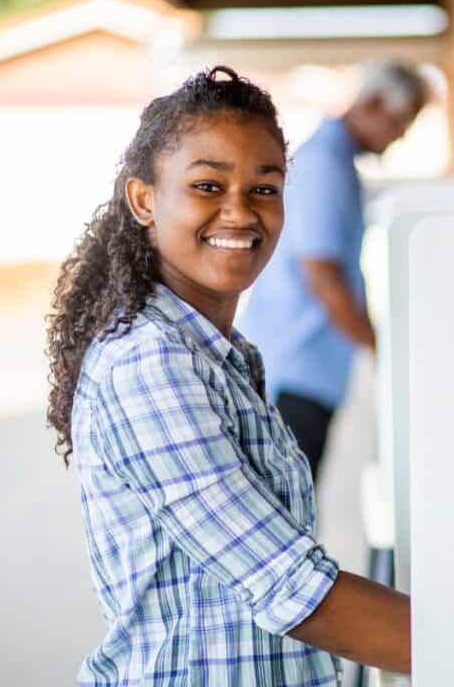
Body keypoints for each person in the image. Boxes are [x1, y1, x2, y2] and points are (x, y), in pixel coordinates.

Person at [46, 66, 410, 686]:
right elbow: (294, 589)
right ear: (144, 200)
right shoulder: (152, 363)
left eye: (264, 188)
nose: (240, 212)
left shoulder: (221, 351)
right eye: (208, 185)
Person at [236, 61, 427, 482]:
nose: (402, 136)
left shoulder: (336, 157)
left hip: (306, 371)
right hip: (294, 373)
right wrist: (382, 350)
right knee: (288, 511)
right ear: (374, 104)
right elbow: (322, 274)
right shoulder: (326, 162)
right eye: (403, 121)